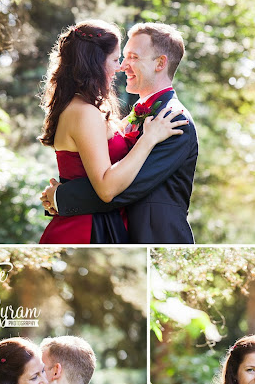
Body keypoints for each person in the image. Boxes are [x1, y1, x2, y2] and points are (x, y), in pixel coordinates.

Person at [41, 22, 199, 244]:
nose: (123, 66)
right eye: (120, 58)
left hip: (154, 240)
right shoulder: (128, 115)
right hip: (101, 231)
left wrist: (62, 197)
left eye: (133, 57)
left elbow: (127, 188)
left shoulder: (173, 120)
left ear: (160, 63)